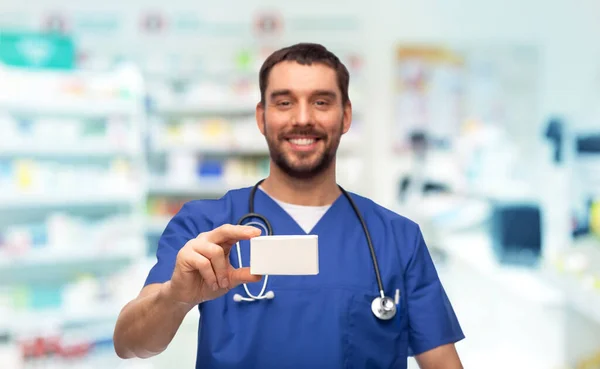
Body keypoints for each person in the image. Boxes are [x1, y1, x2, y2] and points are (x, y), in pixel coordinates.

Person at [113, 42, 465, 369]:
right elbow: (130, 344)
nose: (302, 118)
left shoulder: (396, 238)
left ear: (345, 117)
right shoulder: (206, 227)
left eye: (321, 102)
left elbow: (443, 361)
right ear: (261, 117)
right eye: (284, 102)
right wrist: (176, 297)